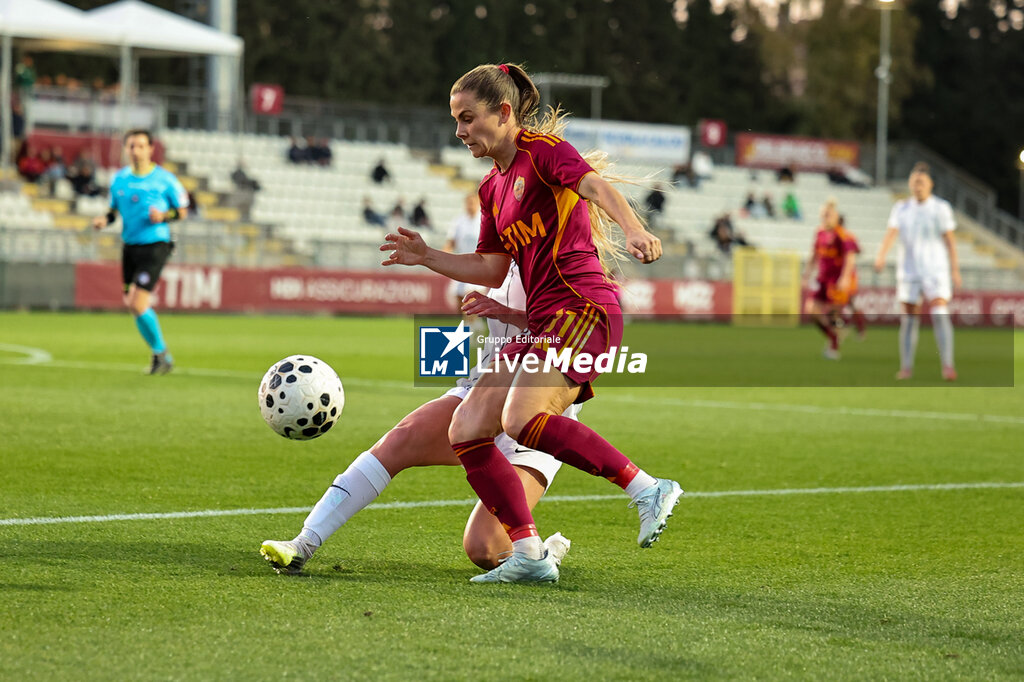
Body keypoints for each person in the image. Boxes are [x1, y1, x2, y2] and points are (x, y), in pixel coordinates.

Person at [380, 62, 681, 584]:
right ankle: (529, 556)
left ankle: (648, 488)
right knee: (467, 428)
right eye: (455, 120)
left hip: (584, 309)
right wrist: (428, 256)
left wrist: (634, 228)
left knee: (520, 419)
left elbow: (594, 186)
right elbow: (492, 269)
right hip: (545, 321)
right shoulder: (492, 189)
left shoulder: (541, 151)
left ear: (502, 113)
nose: (460, 131)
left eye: (468, 118)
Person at [260, 264, 575, 575]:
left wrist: (508, 314)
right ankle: (303, 543)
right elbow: (481, 270)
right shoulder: (504, 240)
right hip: (485, 390)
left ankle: (544, 554)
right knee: (400, 440)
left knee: (484, 549)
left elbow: (577, 332)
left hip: (535, 409)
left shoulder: (564, 255)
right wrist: (424, 254)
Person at [91, 129, 188, 375]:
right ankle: (160, 355)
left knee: (137, 301)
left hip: (156, 245)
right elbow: (113, 211)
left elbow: (183, 211)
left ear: (150, 149)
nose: (136, 150)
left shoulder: (164, 179)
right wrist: (105, 220)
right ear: (126, 149)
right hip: (130, 246)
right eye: (131, 146)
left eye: (141, 146)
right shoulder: (119, 179)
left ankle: (162, 353)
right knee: (131, 303)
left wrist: (164, 216)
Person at [874, 162, 961, 381]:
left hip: (936, 270)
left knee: (940, 315)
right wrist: (881, 255)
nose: (917, 186)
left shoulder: (941, 208)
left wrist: (955, 269)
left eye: (921, 182)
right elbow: (891, 233)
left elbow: (950, 241)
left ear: (930, 184)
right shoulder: (901, 208)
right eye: (914, 182)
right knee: (909, 320)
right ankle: (906, 367)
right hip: (909, 271)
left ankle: (948, 365)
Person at [802, 199, 859, 360]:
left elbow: (850, 257)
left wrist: (845, 277)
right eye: (823, 214)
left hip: (836, 280)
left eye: (828, 214)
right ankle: (835, 336)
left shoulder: (842, 234)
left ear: (835, 216)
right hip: (822, 279)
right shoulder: (819, 232)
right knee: (811, 310)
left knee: (834, 314)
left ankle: (833, 346)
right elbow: (814, 255)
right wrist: (806, 275)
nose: (825, 217)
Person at [444, 193, 486, 311]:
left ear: (478, 203)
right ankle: (470, 324)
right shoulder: (459, 221)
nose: (469, 205)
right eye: (468, 203)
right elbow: (451, 241)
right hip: (461, 264)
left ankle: (472, 324)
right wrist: (443, 255)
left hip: (478, 264)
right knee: (458, 298)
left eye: (472, 203)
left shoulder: (483, 220)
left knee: (471, 296)